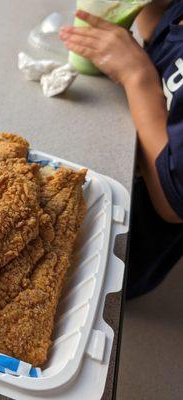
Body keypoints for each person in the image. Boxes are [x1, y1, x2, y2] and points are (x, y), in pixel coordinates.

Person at [59, 1, 183, 299]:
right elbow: (161, 37)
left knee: (84, 293)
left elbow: (173, 202)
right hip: (105, 170)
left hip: (123, 247)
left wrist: (135, 75)